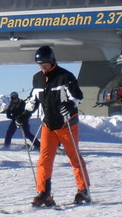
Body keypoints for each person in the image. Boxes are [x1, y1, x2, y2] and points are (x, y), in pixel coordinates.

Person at [23, 45, 91, 207]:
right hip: (48, 124)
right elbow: (34, 98)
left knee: (74, 158)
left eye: (45, 64)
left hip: (67, 123)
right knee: (44, 160)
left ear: (52, 61)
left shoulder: (65, 76)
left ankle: (83, 191)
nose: (43, 67)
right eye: (40, 64)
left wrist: (70, 105)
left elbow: (77, 95)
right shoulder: (37, 78)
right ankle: (44, 193)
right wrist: (25, 113)